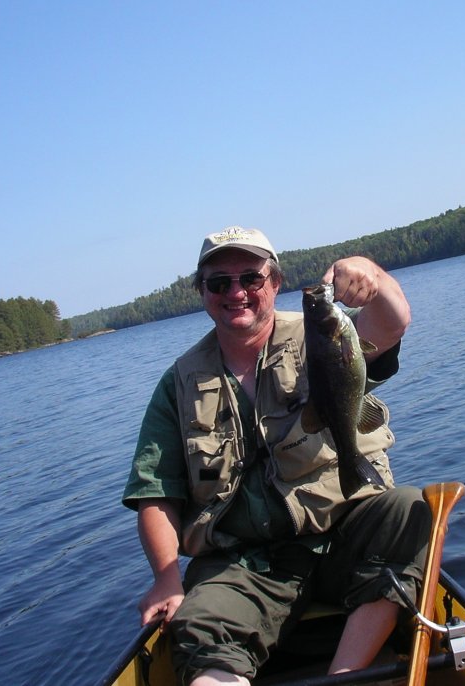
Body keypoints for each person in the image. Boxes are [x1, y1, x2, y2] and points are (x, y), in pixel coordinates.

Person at [122, 226, 430, 686]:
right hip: (243, 564)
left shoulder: (323, 333)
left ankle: (345, 675)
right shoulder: (178, 383)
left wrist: (375, 278)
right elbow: (156, 493)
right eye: (219, 283)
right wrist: (167, 578)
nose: (237, 292)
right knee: (198, 627)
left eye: (251, 277)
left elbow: (391, 322)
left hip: (338, 538)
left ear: (275, 282)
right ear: (202, 293)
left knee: (410, 511)